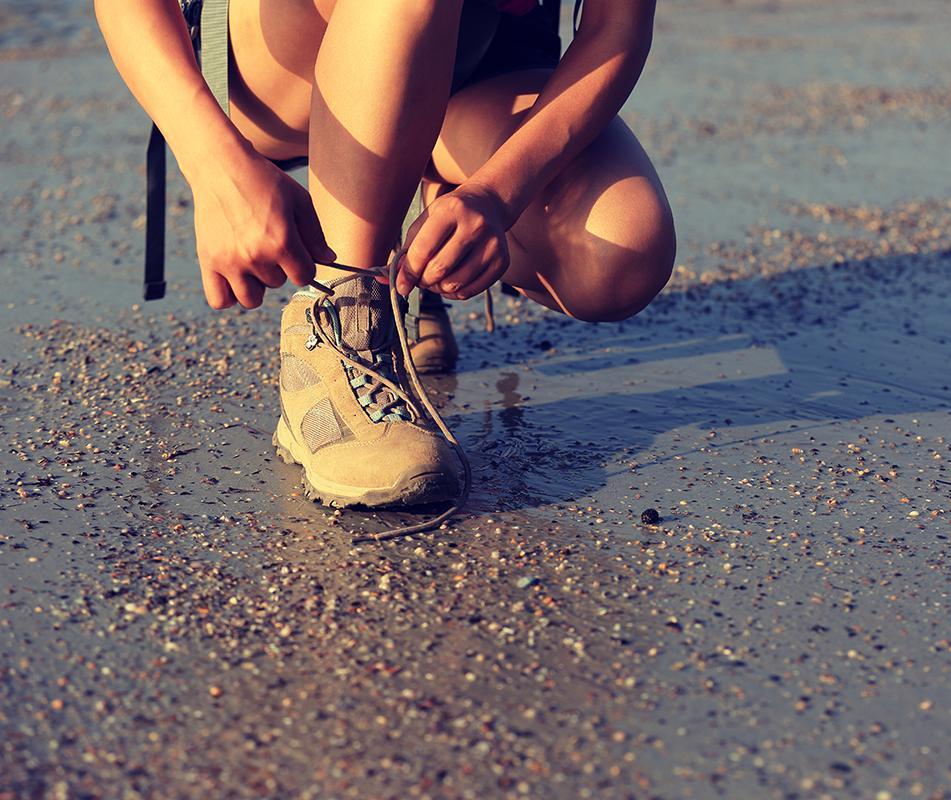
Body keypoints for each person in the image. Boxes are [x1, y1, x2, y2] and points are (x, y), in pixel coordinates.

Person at [94, 0, 676, 510]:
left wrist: (496, 194)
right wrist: (217, 168)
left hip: (481, 59)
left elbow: (614, 27)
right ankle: (337, 331)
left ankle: (408, 211)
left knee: (619, 259)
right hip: (274, 59)